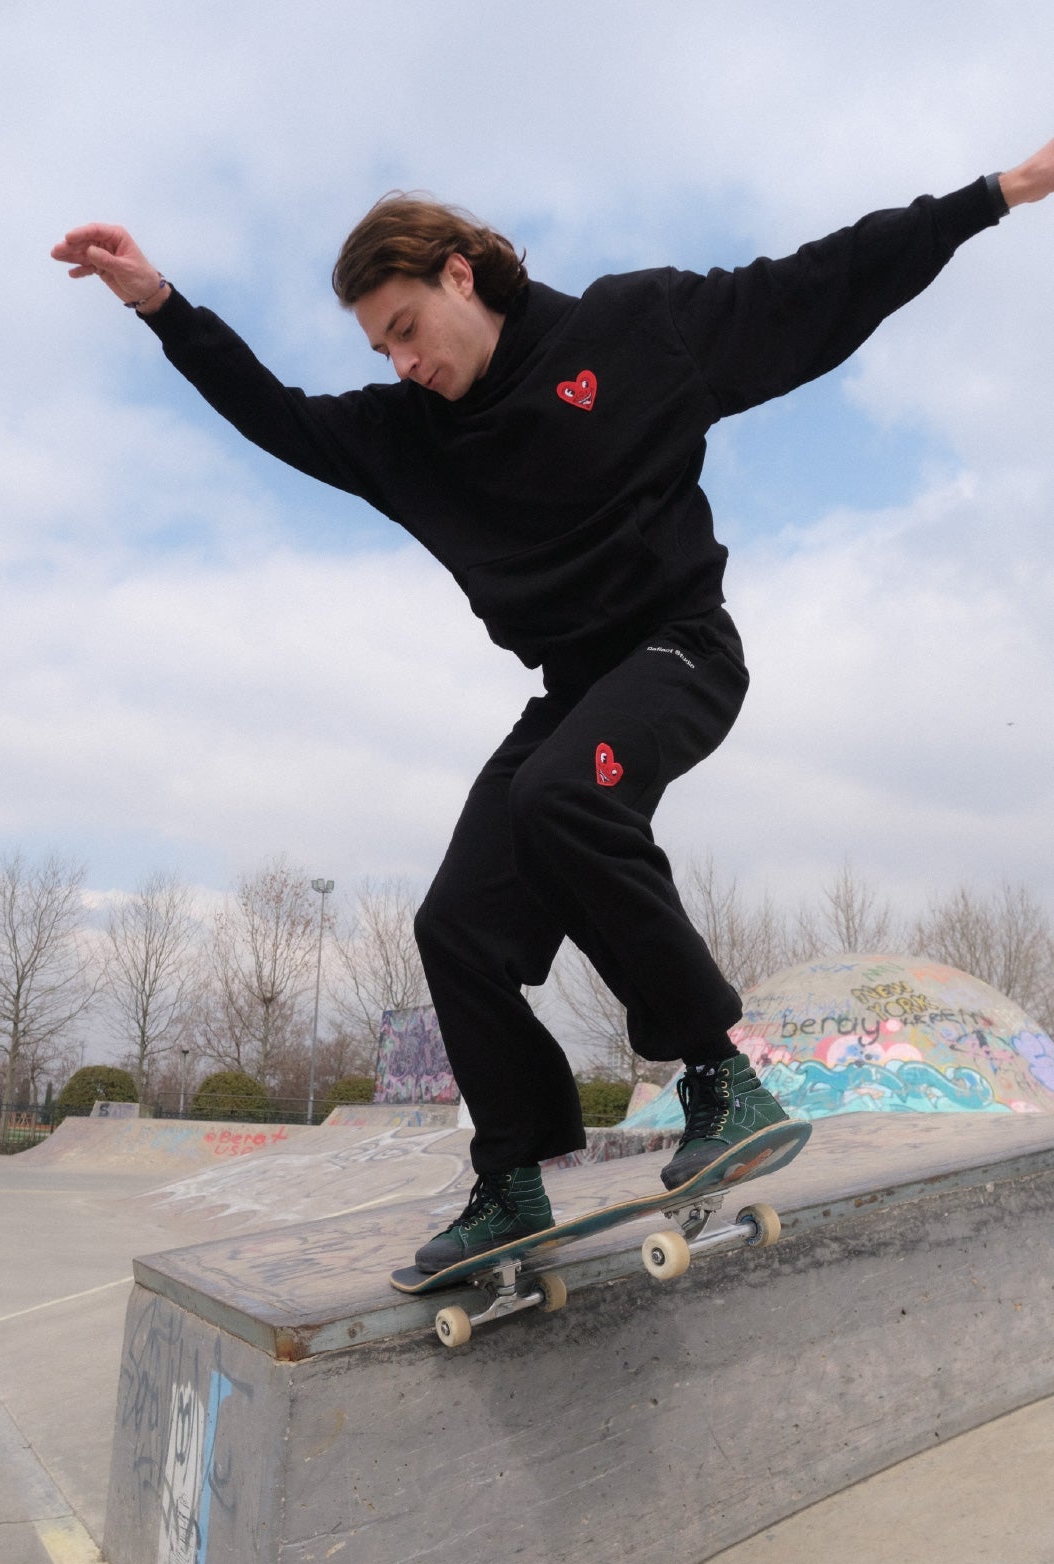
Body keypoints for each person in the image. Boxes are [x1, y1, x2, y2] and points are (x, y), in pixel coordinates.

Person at [53, 136, 1054, 1273]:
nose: (399, 363)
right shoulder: (405, 439)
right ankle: (511, 1178)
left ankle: (725, 1085)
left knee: (560, 797)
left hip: (680, 651)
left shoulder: (629, 334)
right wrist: (160, 304)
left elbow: (813, 285)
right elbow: (272, 412)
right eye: (378, 346)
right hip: (574, 690)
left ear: (460, 276)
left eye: (405, 329)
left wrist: (997, 194)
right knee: (457, 924)